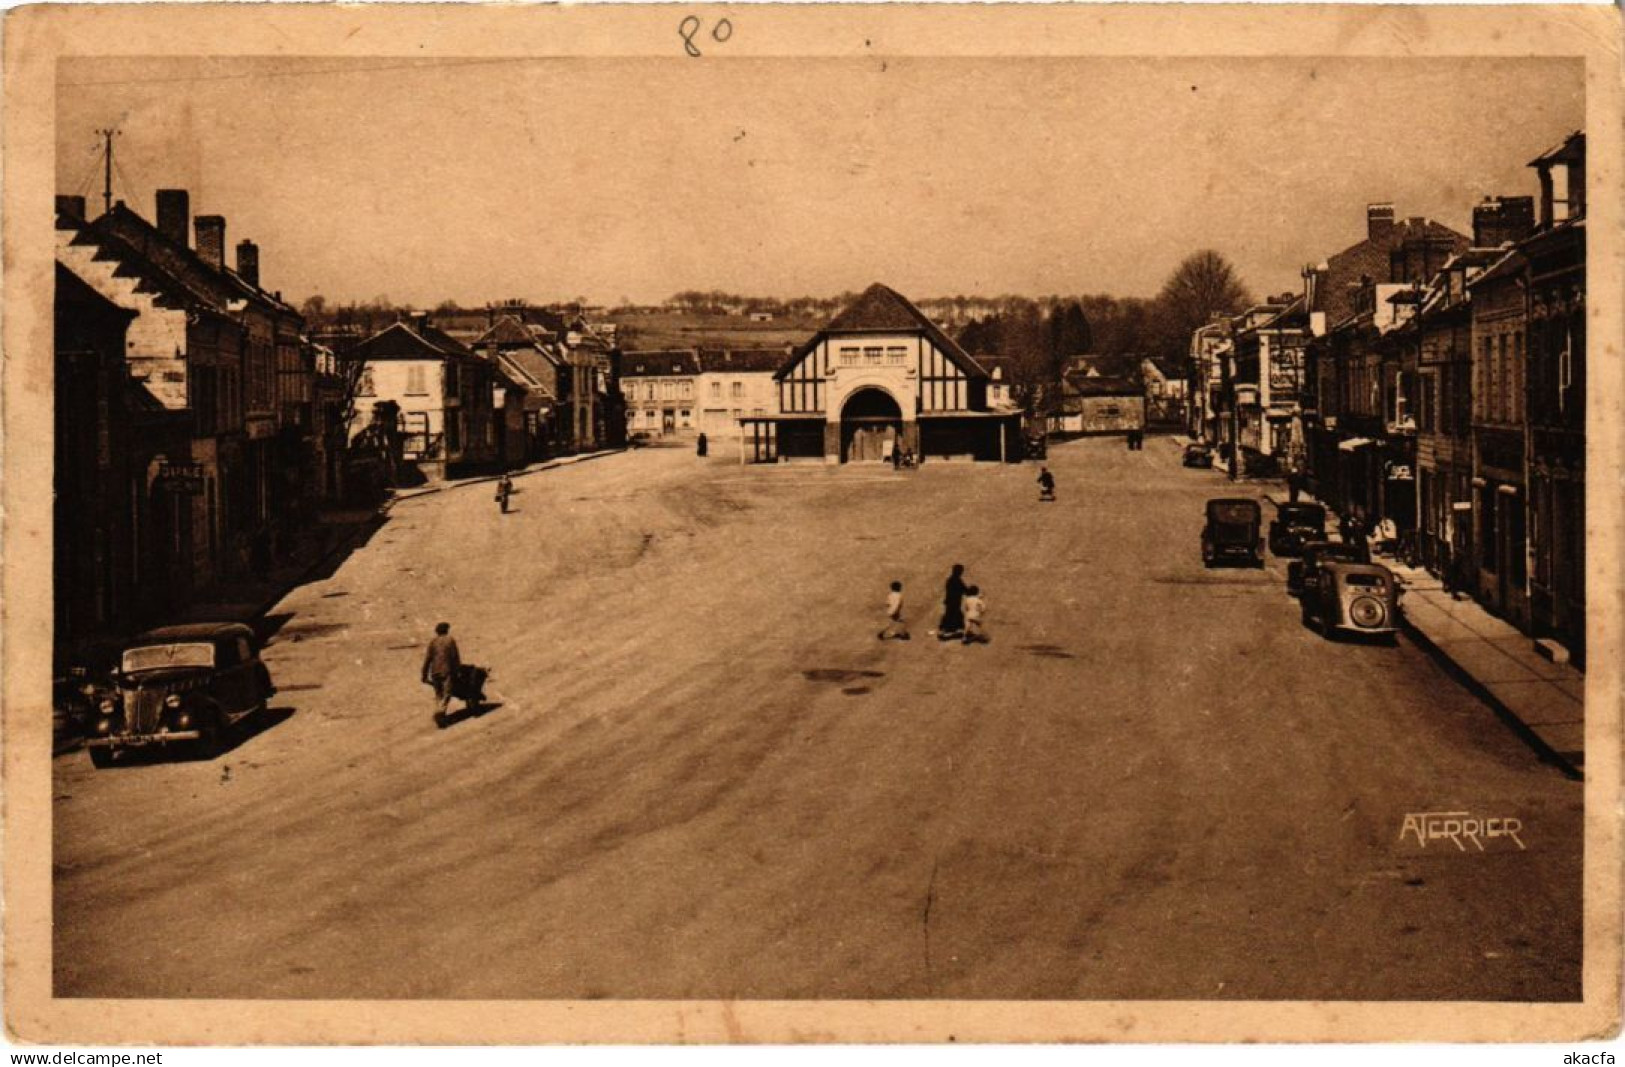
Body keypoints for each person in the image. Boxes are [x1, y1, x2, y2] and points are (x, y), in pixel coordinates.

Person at [421, 622, 461, 723]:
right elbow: (454, 657)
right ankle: (440, 712)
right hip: (446, 671)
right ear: (446, 630)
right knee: (447, 693)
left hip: (434, 671)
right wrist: (458, 671)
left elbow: (427, 659)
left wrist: (424, 674)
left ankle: (439, 711)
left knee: (438, 693)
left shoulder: (433, 642)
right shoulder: (450, 640)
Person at [935, 564, 968, 640]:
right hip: (955, 602)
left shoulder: (950, 580)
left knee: (950, 614)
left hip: (949, 601)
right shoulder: (958, 581)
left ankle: (945, 630)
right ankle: (948, 631)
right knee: (952, 615)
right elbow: (965, 590)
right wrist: (972, 592)